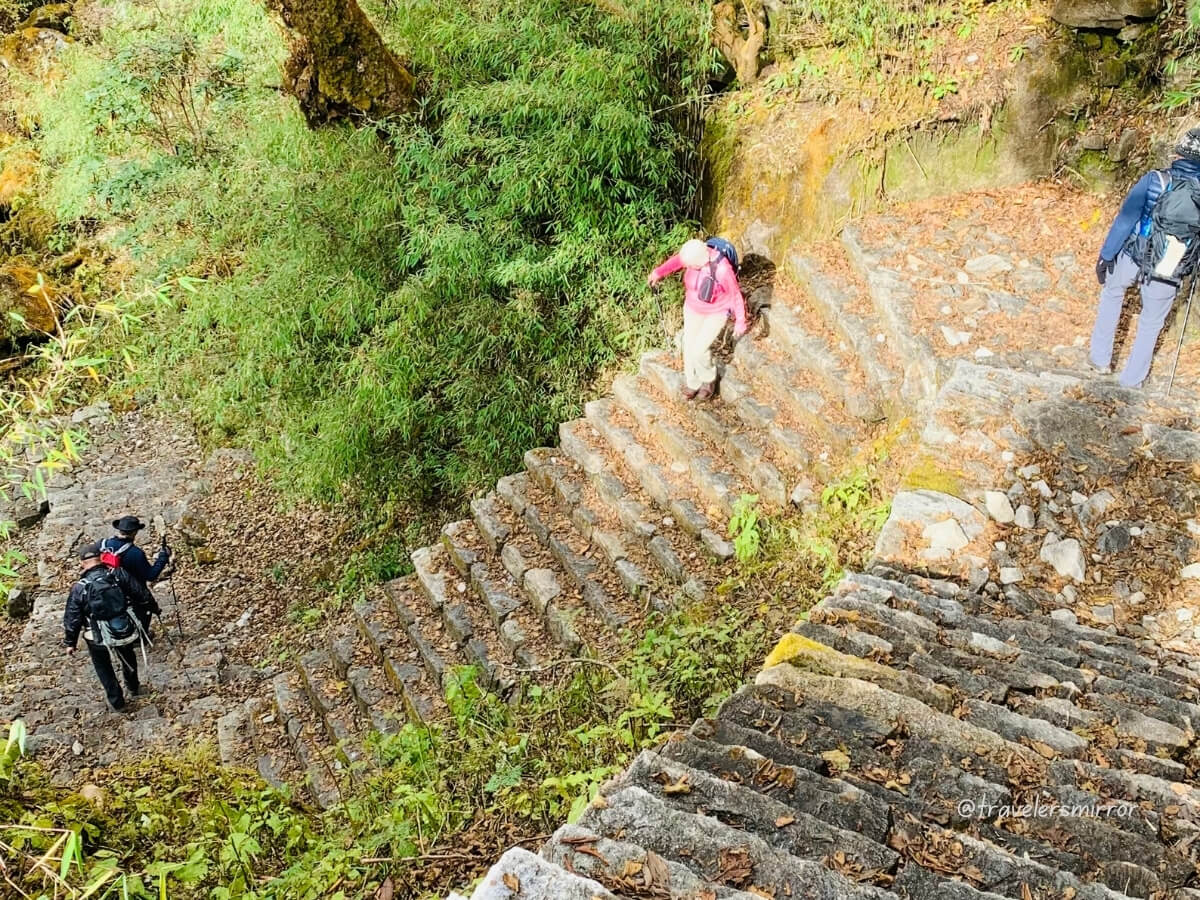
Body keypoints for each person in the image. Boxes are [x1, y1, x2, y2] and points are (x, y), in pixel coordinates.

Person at [1090, 127, 1200, 388]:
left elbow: (1126, 220)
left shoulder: (1155, 180)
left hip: (1134, 255)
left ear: (1178, 152)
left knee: (1112, 294)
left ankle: (1100, 360)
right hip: (1170, 265)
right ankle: (1132, 380)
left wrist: (1106, 255)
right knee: (1152, 322)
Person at [63, 542, 159, 712]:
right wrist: (153, 608)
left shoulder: (79, 588)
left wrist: (70, 642)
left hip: (95, 633)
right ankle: (133, 687)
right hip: (122, 627)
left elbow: (73, 616)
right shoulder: (117, 574)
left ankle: (117, 702)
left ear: (81, 563)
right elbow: (140, 593)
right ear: (100, 558)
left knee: (102, 666)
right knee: (127, 655)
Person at [647, 238, 748, 401]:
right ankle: (692, 382)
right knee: (689, 344)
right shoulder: (693, 256)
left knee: (700, 349)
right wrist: (658, 273)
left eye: (690, 266)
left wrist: (740, 321)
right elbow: (677, 262)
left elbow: (735, 295)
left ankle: (708, 380)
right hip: (692, 307)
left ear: (702, 260)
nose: (687, 267)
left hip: (716, 311)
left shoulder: (722, 269)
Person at [102, 515, 170, 632]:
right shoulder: (135, 553)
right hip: (133, 592)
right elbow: (151, 575)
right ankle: (141, 636)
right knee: (143, 610)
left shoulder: (103, 545)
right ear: (134, 532)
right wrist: (163, 557)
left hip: (107, 589)